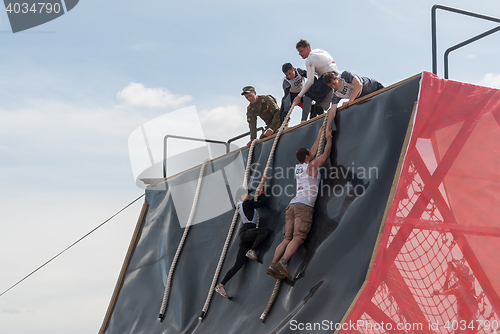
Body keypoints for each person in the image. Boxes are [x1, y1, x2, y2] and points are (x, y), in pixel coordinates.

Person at [266, 126, 333, 280]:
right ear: (308, 157)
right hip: (304, 206)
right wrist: (328, 138)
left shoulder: (299, 167)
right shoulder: (312, 166)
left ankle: (273, 263)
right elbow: (326, 154)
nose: (312, 153)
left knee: (287, 238)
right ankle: (283, 262)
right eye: (310, 154)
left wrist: (319, 133)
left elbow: (313, 152)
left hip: (292, 205)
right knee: (298, 238)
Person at [215, 176, 271, 299]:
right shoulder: (247, 203)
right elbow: (263, 202)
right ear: (242, 196)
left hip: (245, 235)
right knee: (265, 231)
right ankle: (252, 250)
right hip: (248, 232)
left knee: (238, 265)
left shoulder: (240, 206)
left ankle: (221, 285)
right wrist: (262, 187)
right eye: (247, 194)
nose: (250, 196)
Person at [323, 71, 384, 139]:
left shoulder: (345, 76)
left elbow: (359, 85)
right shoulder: (336, 94)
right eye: (331, 86)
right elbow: (332, 112)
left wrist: (350, 101)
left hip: (373, 87)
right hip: (363, 98)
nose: (334, 86)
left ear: (337, 78)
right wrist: (328, 128)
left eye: (334, 83)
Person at [292, 39, 339, 112]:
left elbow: (310, 81)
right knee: (320, 105)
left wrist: (299, 96)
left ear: (307, 48)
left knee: (307, 95)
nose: (299, 54)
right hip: (335, 76)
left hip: (327, 77)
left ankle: (303, 120)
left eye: (301, 51)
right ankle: (320, 117)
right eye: (298, 52)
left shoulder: (310, 59)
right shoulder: (320, 51)